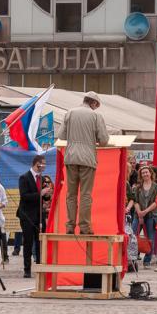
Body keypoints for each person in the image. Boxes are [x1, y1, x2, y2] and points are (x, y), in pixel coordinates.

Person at [58, 91, 109, 234]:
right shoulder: (96, 116)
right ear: (93, 103)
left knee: (71, 194)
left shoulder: (70, 112)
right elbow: (104, 140)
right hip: (88, 159)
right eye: (96, 105)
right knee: (85, 194)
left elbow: (61, 135)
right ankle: (84, 227)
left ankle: (69, 226)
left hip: (71, 157)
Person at [17, 155, 50, 278]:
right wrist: (39, 194)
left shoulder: (42, 179)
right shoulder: (24, 177)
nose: (44, 166)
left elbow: (43, 198)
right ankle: (27, 269)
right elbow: (24, 196)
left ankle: (40, 266)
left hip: (39, 215)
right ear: (37, 164)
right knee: (28, 242)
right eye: (43, 164)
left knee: (40, 241)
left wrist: (47, 194)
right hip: (27, 215)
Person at [131, 166, 157, 269]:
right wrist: (139, 213)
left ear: (150, 173)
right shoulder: (137, 187)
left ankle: (147, 260)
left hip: (151, 215)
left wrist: (146, 211)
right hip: (137, 215)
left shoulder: (156, 187)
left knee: (151, 238)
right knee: (133, 236)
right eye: (143, 173)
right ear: (141, 175)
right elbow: (135, 201)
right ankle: (132, 260)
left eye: (146, 172)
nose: (145, 174)